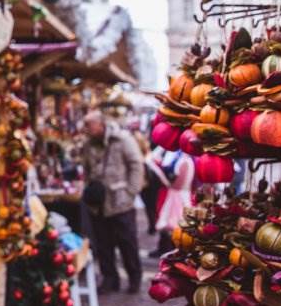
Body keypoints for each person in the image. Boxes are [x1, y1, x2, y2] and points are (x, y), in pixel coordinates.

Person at [80, 109, 144, 293]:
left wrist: (131, 191)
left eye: (89, 125)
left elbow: (136, 165)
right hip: (98, 204)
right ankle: (110, 279)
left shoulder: (122, 140)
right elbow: (86, 167)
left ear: (101, 124)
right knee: (103, 244)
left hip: (120, 201)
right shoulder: (88, 144)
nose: (86, 129)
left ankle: (134, 278)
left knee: (127, 242)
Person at [150, 147, 195, 257]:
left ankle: (173, 250)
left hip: (179, 196)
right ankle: (166, 248)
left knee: (175, 223)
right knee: (171, 224)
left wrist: (165, 180)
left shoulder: (185, 162)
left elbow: (179, 183)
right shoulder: (182, 159)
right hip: (178, 194)